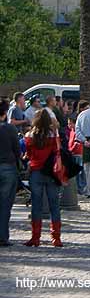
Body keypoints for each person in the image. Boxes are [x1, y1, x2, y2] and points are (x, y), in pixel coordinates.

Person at [23, 109, 63, 247]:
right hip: (51, 172)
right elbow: (58, 151)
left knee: (36, 206)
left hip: (36, 171)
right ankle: (56, 237)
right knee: (54, 206)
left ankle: (35, 237)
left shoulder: (30, 135)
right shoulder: (53, 135)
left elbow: (28, 155)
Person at [0, 99, 20, 247]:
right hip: (7, 167)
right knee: (5, 204)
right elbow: (17, 150)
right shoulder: (10, 129)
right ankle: (2, 236)